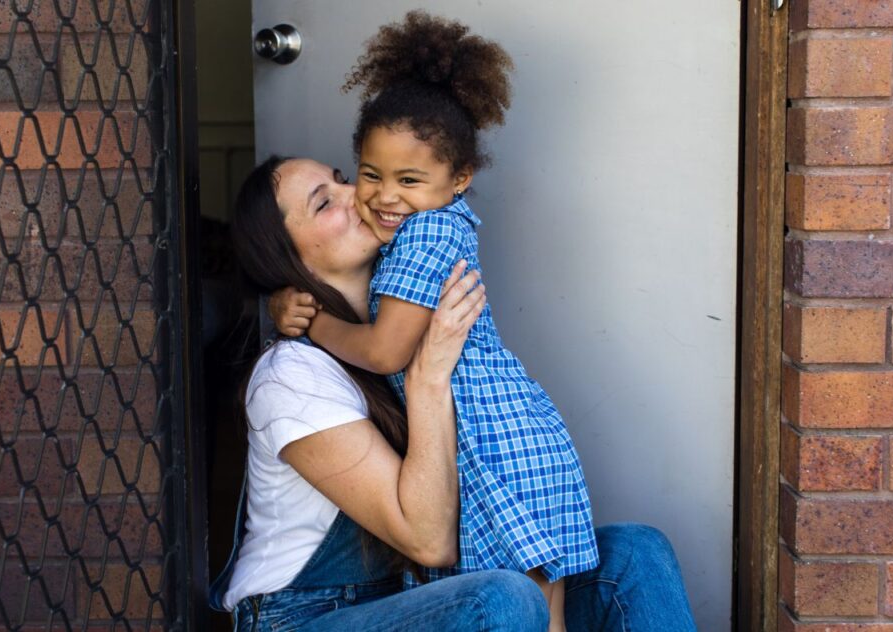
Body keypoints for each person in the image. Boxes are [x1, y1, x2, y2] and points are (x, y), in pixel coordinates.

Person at [210, 156, 697, 631]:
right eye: (324, 203)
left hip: (415, 596)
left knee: (635, 554)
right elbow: (428, 541)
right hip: (306, 616)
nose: (355, 194)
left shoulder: (396, 318)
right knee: (502, 600)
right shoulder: (291, 375)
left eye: (341, 179)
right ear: (286, 256)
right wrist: (428, 379)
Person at [270, 12, 590, 629]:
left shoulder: (425, 236)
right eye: (369, 174)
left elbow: (387, 352)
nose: (385, 196)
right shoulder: (428, 226)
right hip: (519, 438)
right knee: (541, 616)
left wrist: (314, 326)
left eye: (410, 180)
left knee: (518, 606)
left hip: (493, 447)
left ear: (459, 180)